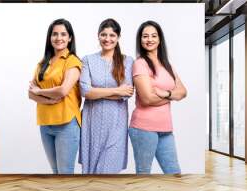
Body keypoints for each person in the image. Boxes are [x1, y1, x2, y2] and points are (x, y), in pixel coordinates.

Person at [129, 21, 187, 174]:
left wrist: (166, 93)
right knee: (144, 173)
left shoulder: (166, 64)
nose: (149, 39)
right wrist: (173, 96)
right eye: (145, 36)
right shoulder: (140, 63)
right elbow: (147, 99)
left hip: (166, 128)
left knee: (174, 172)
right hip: (144, 128)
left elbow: (183, 91)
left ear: (160, 39)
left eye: (154, 36)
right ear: (140, 40)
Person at [79, 18, 134, 174]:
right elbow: (85, 92)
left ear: (118, 37)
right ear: (98, 36)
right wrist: (117, 90)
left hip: (116, 124)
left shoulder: (127, 61)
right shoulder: (88, 60)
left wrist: (97, 92)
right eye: (103, 35)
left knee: (108, 172)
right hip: (91, 123)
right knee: (90, 172)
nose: (107, 39)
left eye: (112, 35)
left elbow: (127, 93)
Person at [28, 19, 82, 174]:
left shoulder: (73, 61)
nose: (59, 38)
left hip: (67, 124)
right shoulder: (42, 63)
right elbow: (30, 93)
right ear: (50, 38)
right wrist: (49, 100)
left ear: (70, 38)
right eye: (55, 34)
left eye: (63, 34)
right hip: (45, 123)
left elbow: (63, 90)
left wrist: (40, 92)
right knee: (55, 172)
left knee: (65, 172)